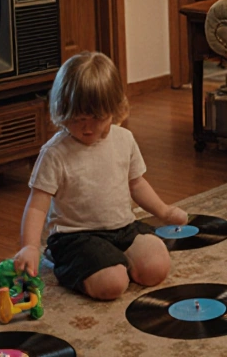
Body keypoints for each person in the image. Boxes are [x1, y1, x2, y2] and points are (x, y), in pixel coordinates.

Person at [12, 51, 188, 300]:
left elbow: (136, 184)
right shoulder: (55, 153)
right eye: (78, 119)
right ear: (62, 111)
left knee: (156, 268)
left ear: (114, 109)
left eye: (97, 118)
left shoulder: (124, 139)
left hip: (123, 228)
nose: (87, 128)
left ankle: (112, 259)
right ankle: (70, 263)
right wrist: (30, 246)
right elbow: (37, 206)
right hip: (76, 237)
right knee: (113, 284)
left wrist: (165, 212)